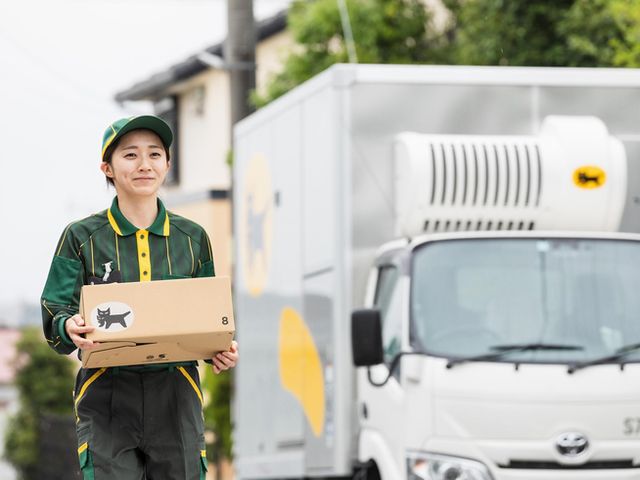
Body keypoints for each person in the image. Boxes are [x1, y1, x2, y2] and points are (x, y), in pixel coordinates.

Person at [40, 115, 238, 479]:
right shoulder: (80, 237)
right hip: (106, 390)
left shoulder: (193, 238)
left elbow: (208, 316)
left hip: (176, 390)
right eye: (130, 155)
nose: (145, 164)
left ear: (167, 164)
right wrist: (68, 326)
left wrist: (220, 350)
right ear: (107, 168)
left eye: (155, 154)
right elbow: (55, 311)